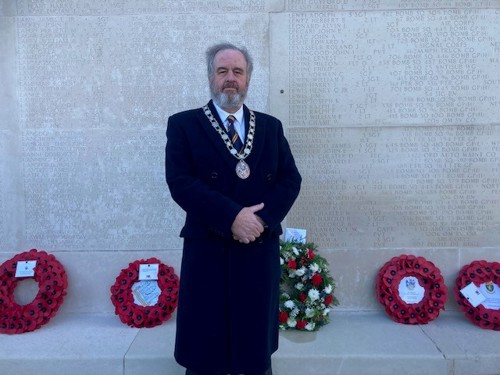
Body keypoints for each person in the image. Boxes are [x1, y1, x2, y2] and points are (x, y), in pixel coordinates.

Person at [165, 42, 302, 375]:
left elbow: (290, 180)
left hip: (257, 247)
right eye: (222, 71)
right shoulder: (184, 125)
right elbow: (180, 182)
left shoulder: (271, 127)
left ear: (248, 79)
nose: (230, 79)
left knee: (253, 350)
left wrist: (259, 221)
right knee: (205, 348)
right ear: (211, 77)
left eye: (237, 72)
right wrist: (232, 218)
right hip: (208, 249)